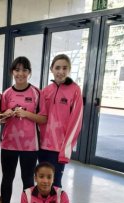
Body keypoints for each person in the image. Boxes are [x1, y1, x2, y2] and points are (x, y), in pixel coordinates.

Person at [0, 56, 47, 203]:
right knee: (7, 179)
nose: (20, 73)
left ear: (29, 72)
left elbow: (43, 118)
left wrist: (26, 114)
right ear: (12, 72)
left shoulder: (36, 93)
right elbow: (0, 120)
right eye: (17, 70)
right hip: (8, 144)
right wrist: (5, 114)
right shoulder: (6, 93)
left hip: (29, 146)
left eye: (24, 70)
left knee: (27, 180)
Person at [38, 54, 83, 188]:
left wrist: (66, 148)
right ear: (51, 69)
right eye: (57, 68)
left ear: (69, 70)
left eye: (65, 68)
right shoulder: (45, 91)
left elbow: (76, 121)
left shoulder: (74, 90)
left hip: (59, 147)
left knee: (55, 183)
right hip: (41, 145)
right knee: (42, 183)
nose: (61, 71)